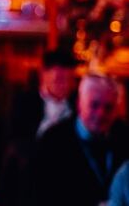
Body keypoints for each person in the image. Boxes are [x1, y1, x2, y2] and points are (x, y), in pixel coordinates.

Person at [0, 49, 78, 205]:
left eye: (68, 80)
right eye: (58, 80)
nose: (63, 85)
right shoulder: (22, 103)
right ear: (43, 75)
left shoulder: (80, 107)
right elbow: (3, 147)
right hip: (28, 181)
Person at [30, 74, 129, 206]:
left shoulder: (124, 136)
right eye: (94, 105)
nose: (101, 114)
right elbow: (42, 194)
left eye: (108, 108)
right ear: (79, 104)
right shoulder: (53, 140)